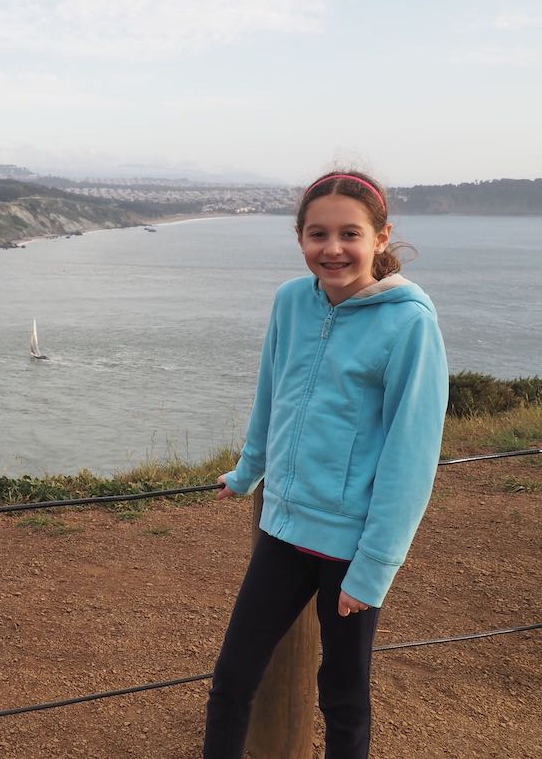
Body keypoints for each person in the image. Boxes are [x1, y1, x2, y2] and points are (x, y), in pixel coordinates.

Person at [203, 170, 449, 759]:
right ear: (299, 237)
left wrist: (374, 568)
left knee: (342, 699)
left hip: (351, 546)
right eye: (318, 234)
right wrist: (246, 473)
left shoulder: (409, 323)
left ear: (381, 237)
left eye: (350, 233)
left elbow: (410, 458)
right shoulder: (291, 301)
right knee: (232, 682)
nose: (332, 248)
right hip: (283, 529)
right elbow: (273, 396)